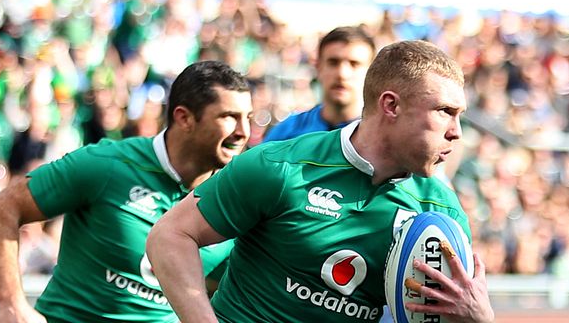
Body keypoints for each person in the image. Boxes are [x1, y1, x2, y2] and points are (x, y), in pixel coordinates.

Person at [146, 40, 494, 323]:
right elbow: (170, 236)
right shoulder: (280, 166)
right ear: (391, 105)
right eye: (445, 112)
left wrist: (479, 318)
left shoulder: (440, 213)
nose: (456, 132)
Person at [0, 60, 253, 323]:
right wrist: (11, 304)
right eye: (229, 117)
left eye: (248, 118)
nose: (244, 132)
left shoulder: (236, 197)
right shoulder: (106, 165)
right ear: (184, 118)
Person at [263, 25, 375, 142]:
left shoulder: (381, 137)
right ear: (318, 67)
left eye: (354, 64)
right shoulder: (287, 132)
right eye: (333, 62)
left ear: (371, 72)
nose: (342, 74)